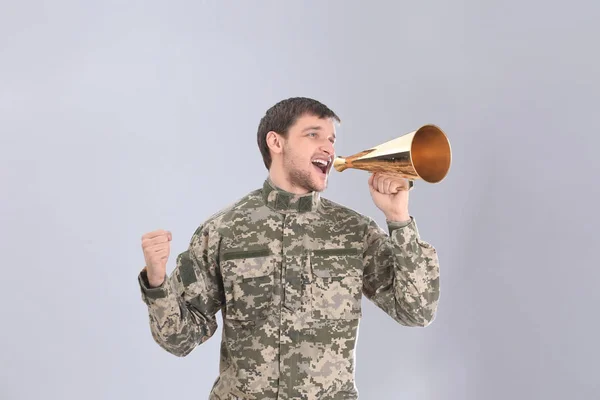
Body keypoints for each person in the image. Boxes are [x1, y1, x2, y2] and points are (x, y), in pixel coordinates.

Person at [137, 97, 441, 400]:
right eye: (313, 135)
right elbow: (180, 340)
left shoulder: (354, 231)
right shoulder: (222, 230)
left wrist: (398, 219)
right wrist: (157, 282)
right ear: (276, 142)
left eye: (332, 140)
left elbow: (416, 311)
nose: (329, 148)